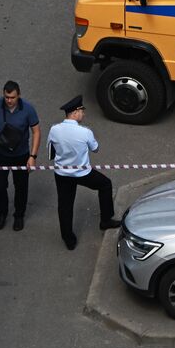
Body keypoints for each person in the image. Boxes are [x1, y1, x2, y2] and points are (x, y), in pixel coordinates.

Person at [48, 96, 120, 251]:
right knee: (105, 184)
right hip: (82, 173)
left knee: (65, 205)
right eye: (81, 111)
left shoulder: (54, 129)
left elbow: (51, 151)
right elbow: (95, 148)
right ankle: (106, 220)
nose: (83, 114)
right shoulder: (85, 132)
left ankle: (68, 239)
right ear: (75, 112)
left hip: (62, 174)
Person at [0, 81, 41, 232]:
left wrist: (32, 156)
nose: (9, 100)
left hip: (21, 155)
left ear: (18, 95)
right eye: (6, 97)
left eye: (12, 97)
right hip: (0, 154)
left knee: (21, 187)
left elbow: (36, 132)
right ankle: (2, 213)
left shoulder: (28, 109)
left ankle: (19, 215)